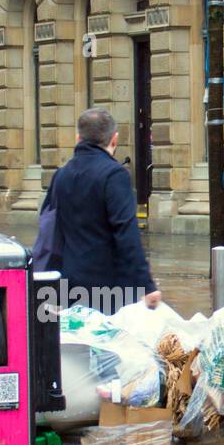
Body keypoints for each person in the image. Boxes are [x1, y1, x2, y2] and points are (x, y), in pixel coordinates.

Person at [37, 108, 161, 315]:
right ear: (114, 139)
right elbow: (127, 233)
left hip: (69, 283)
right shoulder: (114, 175)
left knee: (77, 343)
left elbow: (48, 226)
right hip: (111, 289)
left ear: (78, 138)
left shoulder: (61, 175)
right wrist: (146, 285)